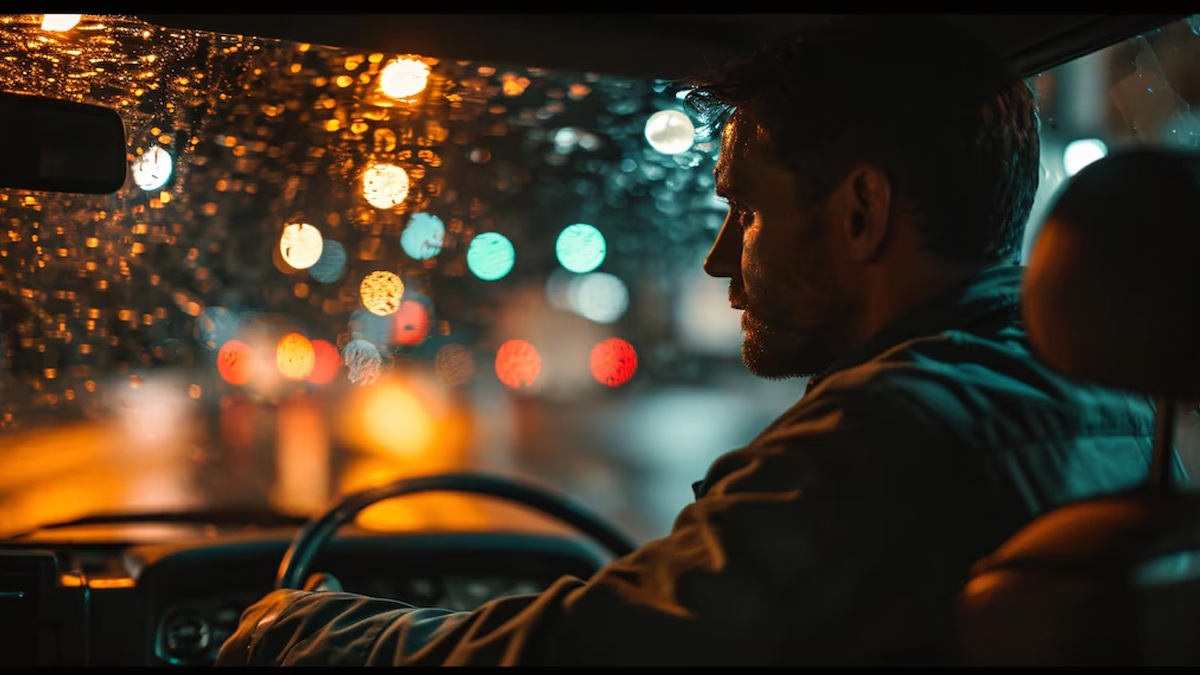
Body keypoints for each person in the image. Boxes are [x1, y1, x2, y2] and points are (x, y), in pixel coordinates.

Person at [215, 17, 1181, 666]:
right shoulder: (1123, 417)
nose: (721, 259)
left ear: (860, 213)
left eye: (745, 211)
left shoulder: (879, 443)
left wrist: (306, 632)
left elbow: (582, 652)